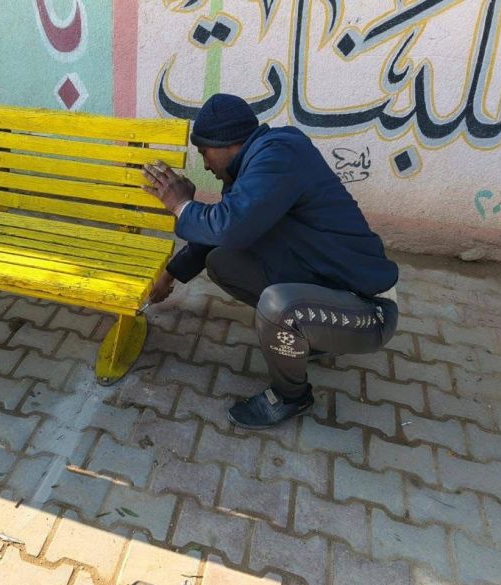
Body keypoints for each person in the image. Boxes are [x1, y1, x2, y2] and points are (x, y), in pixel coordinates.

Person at [142, 94, 399, 430]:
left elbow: (230, 226)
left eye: (204, 153)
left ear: (225, 144)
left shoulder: (279, 156)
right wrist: (169, 275)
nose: (204, 165)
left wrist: (182, 206)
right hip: (332, 290)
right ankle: (312, 339)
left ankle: (292, 396)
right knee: (222, 261)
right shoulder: (256, 164)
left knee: (278, 307)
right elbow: (221, 234)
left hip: (370, 310)